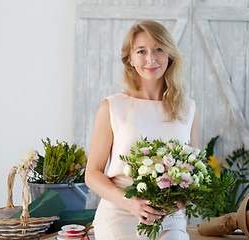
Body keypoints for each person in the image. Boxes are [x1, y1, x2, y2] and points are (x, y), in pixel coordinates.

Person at [85, 20, 199, 240]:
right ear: (129, 58)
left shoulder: (188, 109)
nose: (151, 59)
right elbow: (92, 174)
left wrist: (183, 197)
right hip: (119, 212)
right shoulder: (113, 106)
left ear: (169, 55)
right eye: (141, 51)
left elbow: (193, 171)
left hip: (169, 217)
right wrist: (129, 202)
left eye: (159, 49)